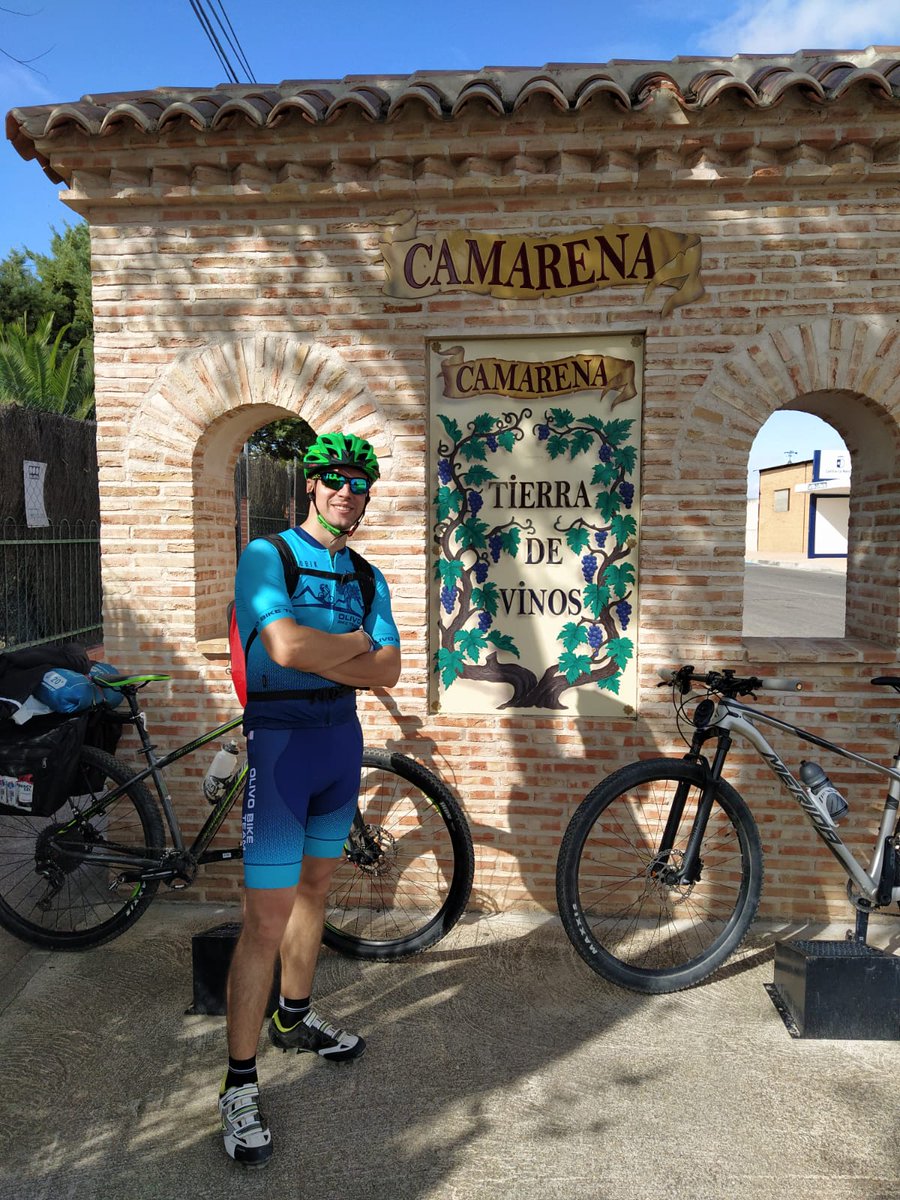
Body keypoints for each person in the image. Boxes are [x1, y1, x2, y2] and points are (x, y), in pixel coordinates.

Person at [219, 431, 401, 1167]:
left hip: (339, 745)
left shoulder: (366, 575)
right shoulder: (268, 557)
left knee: (316, 890)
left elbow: (389, 670)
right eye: (334, 479)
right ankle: (238, 1083)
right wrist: (352, 645)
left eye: (359, 483)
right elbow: (285, 649)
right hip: (282, 748)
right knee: (264, 920)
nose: (346, 492)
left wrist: (335, 653)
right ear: (312, 485)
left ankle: (293, 1019)